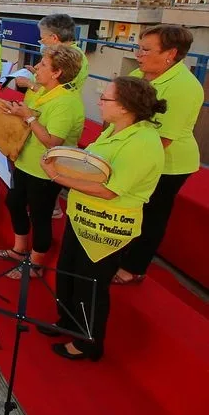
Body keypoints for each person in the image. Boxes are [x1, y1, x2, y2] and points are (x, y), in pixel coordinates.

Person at [41, 77, 166, 361]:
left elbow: (109, 191)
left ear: (125, 107)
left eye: (105, 98)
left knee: (90, 283)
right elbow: (92, 165)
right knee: (68, 273)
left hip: (105, 225)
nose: (99, 102)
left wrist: (57, 176)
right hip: (82, 216)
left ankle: (88, 342)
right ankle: (68, 322)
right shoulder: (114, 129)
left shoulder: (144, 142)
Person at [115, 25, 202, 285]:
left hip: (168, 164)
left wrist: (124, 163)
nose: (138, 54)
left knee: (152, 214)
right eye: (139, 48)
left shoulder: (186, 87)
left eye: (145, 49)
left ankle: (134, 268)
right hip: (135, 151)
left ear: (171, 54)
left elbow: (162, 139)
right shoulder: (139, 74)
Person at [0, 46, 85, 277]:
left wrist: (27, 116)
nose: (36, 67)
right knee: (14, 202)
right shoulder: (44, 91)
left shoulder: (66, 102)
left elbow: (52, 142)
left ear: (57, 73)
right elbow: (31, 115)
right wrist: (18, 111)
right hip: (26, 162)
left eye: (43, 64)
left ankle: (35, 265)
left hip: (45, 170)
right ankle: (19, 249)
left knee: (40, 215)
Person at [16, 14, 90, 92]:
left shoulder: (71, 59)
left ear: (54, 38)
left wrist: (29, 84)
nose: (41, 42)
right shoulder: (59, 53)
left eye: (42, 39)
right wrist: (37, 72)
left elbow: (59, 93)